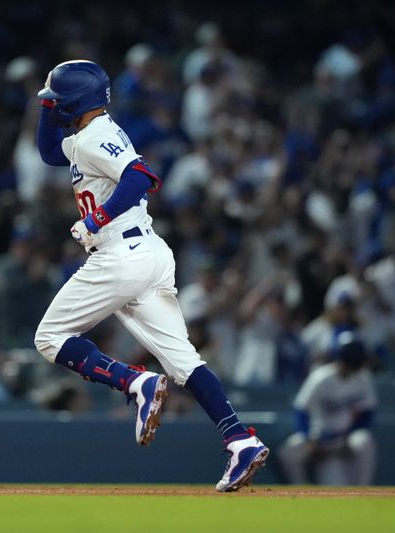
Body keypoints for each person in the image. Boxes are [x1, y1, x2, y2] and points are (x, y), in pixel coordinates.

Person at [33, 60, 268, 492]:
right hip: (148, 253)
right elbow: (50, 151)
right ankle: (239, 440)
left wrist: (96, 218)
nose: (53, 107)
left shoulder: (97, 135)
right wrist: (49, 105)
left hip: (120, 253)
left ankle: (133, 381)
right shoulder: (90, 133)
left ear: (76, 103)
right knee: (183, 361)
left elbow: (141, 177)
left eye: (58, 102)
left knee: (49, 337)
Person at [278, 333, 377, 485]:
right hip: (318, 437)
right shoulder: (320, 378)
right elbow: (301, 410)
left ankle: (364, 488)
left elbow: (368, 412)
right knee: (289, 452)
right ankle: (300, 490)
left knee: (363, 440)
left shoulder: (363, 377)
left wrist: (348, 435)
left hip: (345, 438)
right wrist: (309, 439)